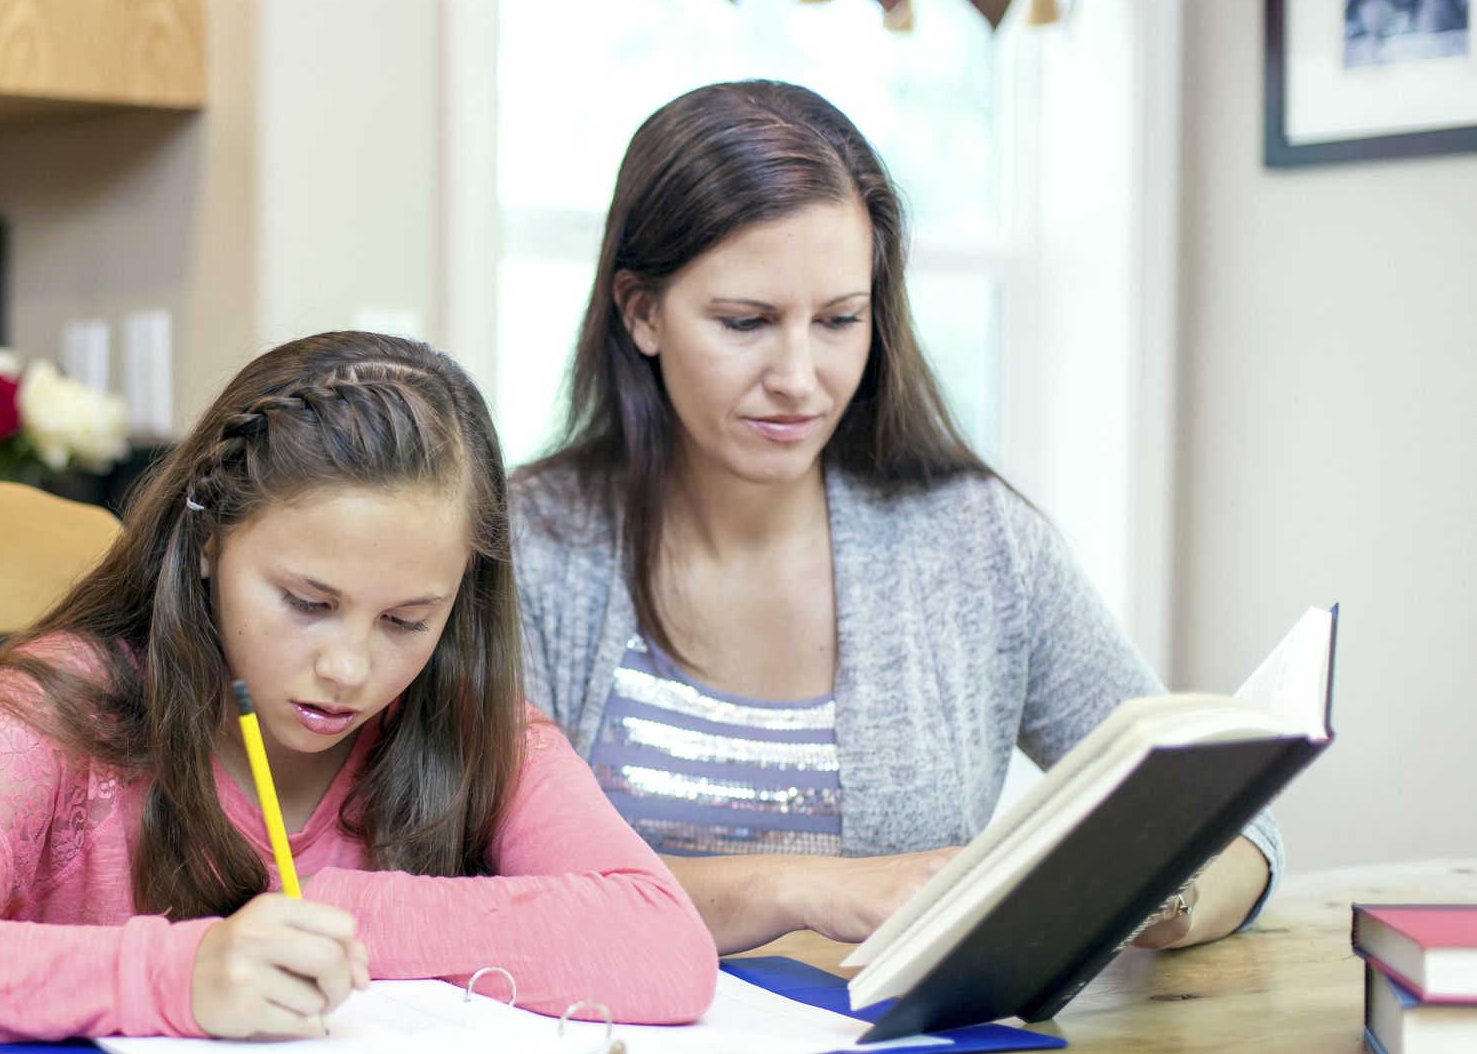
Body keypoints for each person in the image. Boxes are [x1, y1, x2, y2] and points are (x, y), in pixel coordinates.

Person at [0, 331, 718, 1043]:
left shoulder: (475, 727)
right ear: (207, 544)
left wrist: (355, 916)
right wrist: (174, 973)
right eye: (305, 600)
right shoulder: (60, 708)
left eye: (407, 620)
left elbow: (665, 949)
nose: (350, 667)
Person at [512, 81, 1280, 955]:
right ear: (640, 312)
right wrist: (797, 889)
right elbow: (496, 881)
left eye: (839, 319)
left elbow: (1239, 831)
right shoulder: (531, 546)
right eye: (745, 322)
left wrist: (1140, 892)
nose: (799, 376)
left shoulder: (974, 542)